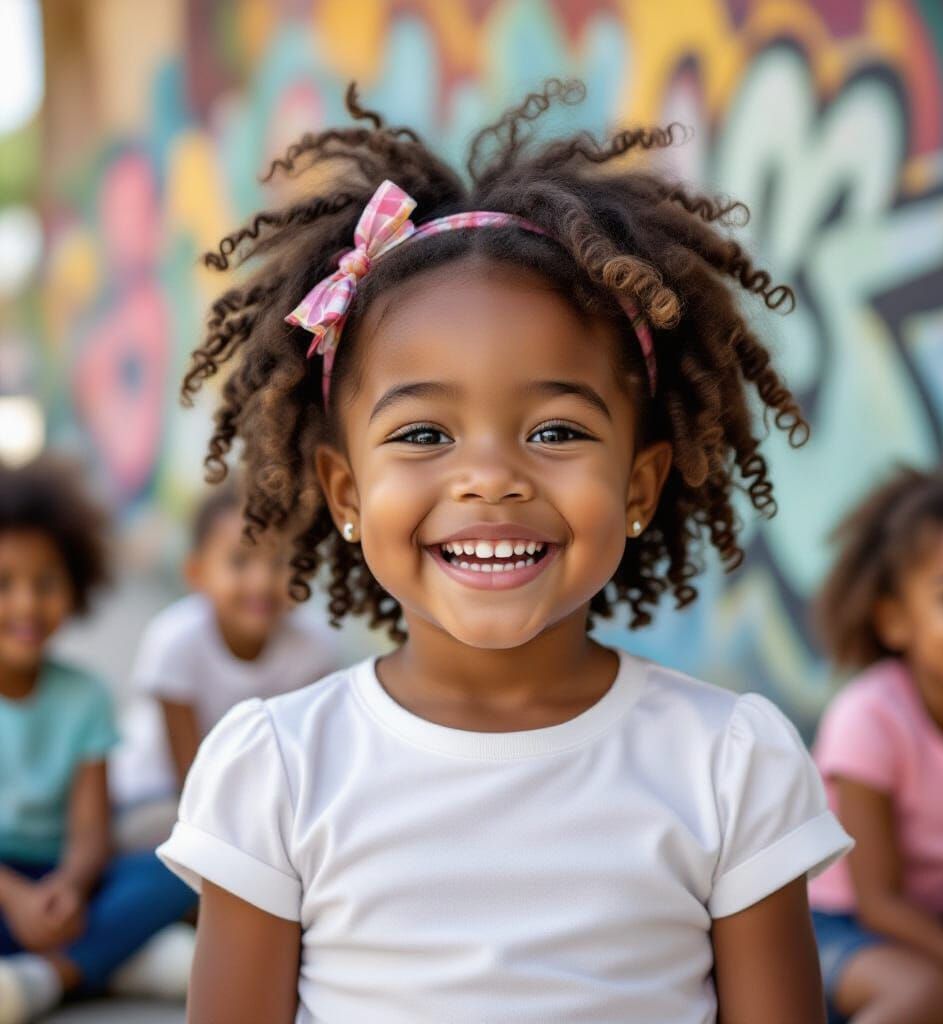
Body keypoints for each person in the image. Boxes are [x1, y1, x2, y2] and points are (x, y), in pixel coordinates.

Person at [157, 81, 853, 1024]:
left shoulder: (730, 763)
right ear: (347, 492)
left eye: (558, 433)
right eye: (424, 436)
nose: (490, 478)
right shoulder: (276, 768)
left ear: (640, 487)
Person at [809, 462, 943, 1024]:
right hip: (842, 921)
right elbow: (879, 901)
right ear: (895, 619)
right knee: (926, 996)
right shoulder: (870, 718)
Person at [0, 458, 196, 1023]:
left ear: (76, 584)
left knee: (180, 866)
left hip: (65, 884)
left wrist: (69, 885)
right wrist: (15, 898)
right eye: (5, 583)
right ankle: (111, 960)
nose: (26, 605)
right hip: (5, 889)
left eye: (45, 583)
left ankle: (47, 977)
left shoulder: (84, 697)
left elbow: (91, 829)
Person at [110, 481, 340, 850]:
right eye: (240, 561)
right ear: (197, 573)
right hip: (158, 795)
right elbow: (188, 778)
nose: (262, 581)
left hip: (260, 802)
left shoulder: (314, 649)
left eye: (280, 562)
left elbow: (305, 759)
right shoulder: (176, 642)